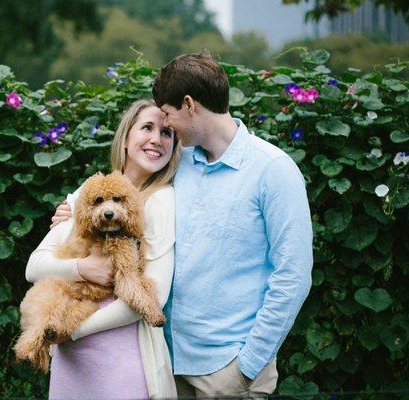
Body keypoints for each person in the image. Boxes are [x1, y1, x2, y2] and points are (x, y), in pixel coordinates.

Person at [54, 53, 314, 399]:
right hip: (166, 365)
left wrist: (248, 365)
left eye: (168, 115)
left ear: (189, 104)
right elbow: (130, 199)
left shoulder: (272, 170)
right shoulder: (180, 163)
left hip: (228, 372)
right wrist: (73, 213)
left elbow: (293, 276)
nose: (166, 128)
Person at [25, 99, 181, 400]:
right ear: (124, 139)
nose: (156, 139)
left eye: (167, 133)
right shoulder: (89, 192)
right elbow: (34, 266)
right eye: (147, 128)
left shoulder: (161, 201)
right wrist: (81, 268)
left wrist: (71, 331)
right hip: (72, 364)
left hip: (121, 362)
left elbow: (154, 299)